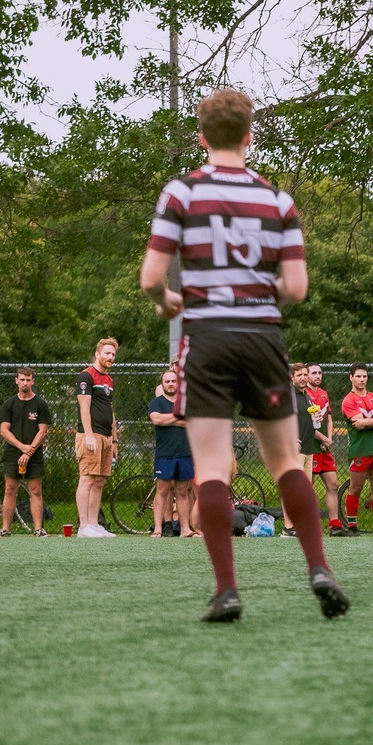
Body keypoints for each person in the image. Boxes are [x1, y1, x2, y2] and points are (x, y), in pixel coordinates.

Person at [139, 87, 346, 620]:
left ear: (203, 136)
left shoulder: (181, 193)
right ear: (250, 136)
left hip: (206, 338)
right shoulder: (277, 200)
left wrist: (171, 302)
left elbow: (151, 280)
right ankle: (319, 568)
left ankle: (227, 589)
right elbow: (296, 288)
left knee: (211, 468)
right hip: (263, 340)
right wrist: (253, 292)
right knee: (284, 461)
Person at [0, 365, 51, 536]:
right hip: (13, 454)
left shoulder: (40, 404)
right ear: (16, 381)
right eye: (22, 379)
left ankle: (38, 529)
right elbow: (4, 430)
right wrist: (21, 448)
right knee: (10, 489)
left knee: (35, 490)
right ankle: (5, 529)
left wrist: (29, 452)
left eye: (28, 379)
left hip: (34, 455)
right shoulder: (9, 404)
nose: (25, 382)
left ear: (32, 381)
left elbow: (43, 430)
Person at [74, 337, 119, 537]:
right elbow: (84, 407)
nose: (110, 357)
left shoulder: (109, 380)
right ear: (97, 354)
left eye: (113, 354)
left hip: (106, 436)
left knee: (100, 480)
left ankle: (94, 524)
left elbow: (111, 411)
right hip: (89, 434)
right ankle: (83, 526)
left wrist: (114, 439)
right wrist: (89, 435)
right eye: (107, 353)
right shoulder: (86, 376)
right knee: (87, 478)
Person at [338, 364, 373, 536]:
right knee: (356, 488)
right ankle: (352, 527)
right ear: (351, 377)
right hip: (360, 450)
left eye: (364, 376)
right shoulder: (349, 400)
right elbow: (358, 424)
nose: (362, 380)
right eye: (358, 376)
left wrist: (368, 422)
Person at [148, 367, 196, 538]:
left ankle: (185, 529)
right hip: (165, 454)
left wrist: (168, 418)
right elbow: (156, 419)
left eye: (173, 381)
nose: (170, 384)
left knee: (183, 492)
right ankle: (158, 529)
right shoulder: (157, 402)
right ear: (162, 384)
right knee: (162, 490)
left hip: (185, 453)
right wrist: (177, 417)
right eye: (167, 381)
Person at [300, 364, 342, 534]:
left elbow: (329, 418)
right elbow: (307, 424)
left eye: (319, 373)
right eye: (313, 373)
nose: (317, 376)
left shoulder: (323, 394)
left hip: (325, 448)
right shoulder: (304, 395)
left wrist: (329, 439)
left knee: (333, 484)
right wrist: (323, 439)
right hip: (311, 446)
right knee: (308, 488)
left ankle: (335, 525)